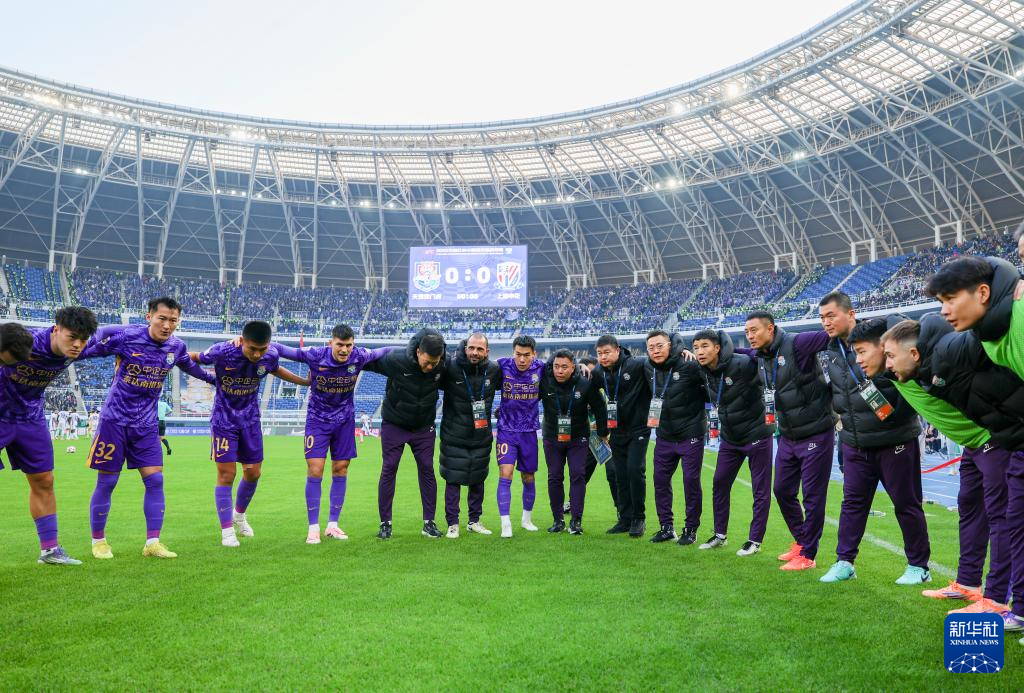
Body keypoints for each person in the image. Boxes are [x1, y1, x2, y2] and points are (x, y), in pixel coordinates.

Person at [879, 315, 1015, 615]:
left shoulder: (950, 362)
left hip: (995, 439)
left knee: (1002, 516)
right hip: (974, 445)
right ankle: (968, 582)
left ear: (913, 353)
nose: (885, 363)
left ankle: (996, 597)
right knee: (970, 507)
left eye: (888, 355)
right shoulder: (922, 372)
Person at [79, 296, 216, 560]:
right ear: (149, 317)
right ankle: (99, 542)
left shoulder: (176, 346)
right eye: (162, 318)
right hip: (114, 421)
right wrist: (61, 353)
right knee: (107, 481)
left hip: (146, 425)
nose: (167, 325)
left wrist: (214, 381)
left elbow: (190, 366)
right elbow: (88, 351)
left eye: (173, 320)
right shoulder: (127, 337)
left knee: (155, 480)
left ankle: (152, 543)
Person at [815, 294, 930, 585]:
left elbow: (906, 334)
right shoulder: (830, 350)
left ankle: (919, 566)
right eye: (822, 317)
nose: (826, 322)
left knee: (906, 504)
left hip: (895, 440)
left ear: (851, 313)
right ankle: (844, 562)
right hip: (855, 442)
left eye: (831, 315)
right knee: (852, 504)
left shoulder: (881, 337)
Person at [193, 321, 308, 547]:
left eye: (261, 350)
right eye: (252, 349)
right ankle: (227, 531)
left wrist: (303, 382)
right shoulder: (223, 351)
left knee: (253, 473)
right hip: (224, 421)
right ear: (242, 340)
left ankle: (239, 516)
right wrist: (166, 357)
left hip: (251, 421)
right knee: (227, 475)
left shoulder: (270, 355)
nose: (257, 355)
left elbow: (275, 369)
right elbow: (194, 357)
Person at [274, 324, 391, 543]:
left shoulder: (359, 356)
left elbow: (384, 351)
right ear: (331, 343)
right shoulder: (315, 355)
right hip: (317, 420)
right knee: (315, 469)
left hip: (344, 421)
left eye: (348, 345)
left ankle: (333, 525)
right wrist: (246, 341)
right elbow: (282, 349)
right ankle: (313, 527)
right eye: (340, 345)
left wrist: (413, 349)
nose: (345, 350)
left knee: (341, 468)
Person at [0, 309, 98, 565]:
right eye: (72, 337)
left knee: (44, 480)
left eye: (83, 339)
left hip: (30, 417)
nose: (77, 345)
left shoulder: (78, 349)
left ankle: (50, 550)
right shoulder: (24, 342)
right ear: (56, 330)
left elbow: (114, 335)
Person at [741, 311, 835, 571]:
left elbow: (832, 336)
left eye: (754, 330)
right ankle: (801, 540)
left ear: (770, 328)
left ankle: (808, 555)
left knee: (812, 497)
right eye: (746, 332)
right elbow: (738, 352)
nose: (750, 336)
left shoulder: (797, 343)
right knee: (782, 490)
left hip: (816, 432)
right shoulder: (761, 356)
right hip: (788, 436)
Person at [692, 329, 773, 556]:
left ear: (718, 348)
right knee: (719, 483)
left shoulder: (742, 363)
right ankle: (720, 535)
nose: (700, 352)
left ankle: (755, 540)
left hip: (757, 434)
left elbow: (765, 358)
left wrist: (741, 350)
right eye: (696, 347)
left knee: (760, 489)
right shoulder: (701, 370)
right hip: (730, 438)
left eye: (705, 346)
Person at [363, 328, 446, 539]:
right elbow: (365, 362)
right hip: (395, 424)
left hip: (423, 426)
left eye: (434, 363)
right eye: (427, 362)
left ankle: (429, 523)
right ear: (418, 352)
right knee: (389, 468)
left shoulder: (443, 364)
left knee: (427, 469)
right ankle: (385, 524)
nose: (430, 367)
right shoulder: (396, 360)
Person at [644, 330, 707, 546]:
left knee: (691, 482)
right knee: (660, 481)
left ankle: (691, 529)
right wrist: (584, 365)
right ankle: (666, 527)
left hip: (691, 434)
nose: (655, 351)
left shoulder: (689, 364)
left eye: (660, 346)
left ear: (670, 345)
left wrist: (690, 353)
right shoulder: (647, 367)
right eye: (651, 347)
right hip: (664, 435)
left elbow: (710, 378)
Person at [539, 349, 608, 534]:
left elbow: (600, 407)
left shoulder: (585, 383)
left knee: (578, 475)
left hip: (578, 437)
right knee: (554, 477)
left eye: (564, 367)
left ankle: (576, 521)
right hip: (552, 437)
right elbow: (528, 401)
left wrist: (603, 432)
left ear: (573, 367)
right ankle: (558, 520)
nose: (559, 371)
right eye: (556, 366)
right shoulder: (544, 382)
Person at [438, 332, 500, 538]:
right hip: (454, 435)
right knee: (452, 479)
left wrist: (582, 367)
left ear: (487, 351)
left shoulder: (494, 370)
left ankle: (474, 521)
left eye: (480, 349)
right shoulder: (450, 367)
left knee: (477, 480)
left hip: (481, 436)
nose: (474, 352)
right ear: (465, 348)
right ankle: (452, 524)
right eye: (471, 348)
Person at [593, 334, 652, 537]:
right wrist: (603, 431)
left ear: (618, 350)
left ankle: (639, 518)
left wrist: (682, 351)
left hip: (638, 429)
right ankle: (625, 518)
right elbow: (594, 398)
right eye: (599, 353)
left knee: (635, 470)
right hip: (616, 431)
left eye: (607, 352)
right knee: (620, 474)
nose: (603, 357)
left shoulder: (636, 365)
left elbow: (659, 362)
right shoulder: (598, 372)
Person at [494, 335, 546, 538]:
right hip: (506, 430)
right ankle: (505, 522)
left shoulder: (542, 368)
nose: (522, 359)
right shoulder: (502, 365)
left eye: (526, 355)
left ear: (534, 354)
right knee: (505, 473)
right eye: (518, 354)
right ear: (513, 353)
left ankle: (526, 519)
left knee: (528, 476)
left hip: (529, 432)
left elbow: (565, 367)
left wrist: (582, 365)